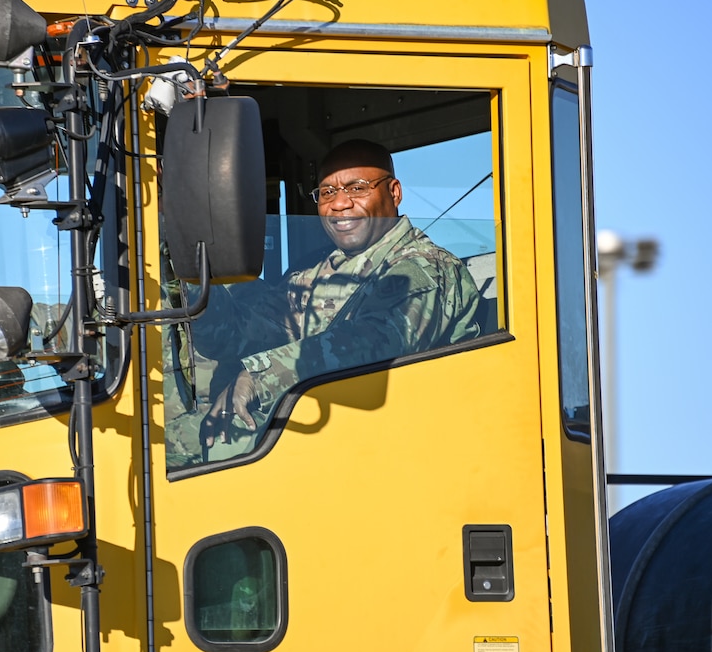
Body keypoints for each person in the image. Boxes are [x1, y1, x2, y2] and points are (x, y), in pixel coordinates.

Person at [165, 139, 481, 464]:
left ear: (394, 193)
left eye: (357, 188)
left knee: (194, 448)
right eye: (327, 193)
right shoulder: (316, 273)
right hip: (339, 436)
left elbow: (376, 345)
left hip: (406, 448)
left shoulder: (424, 268)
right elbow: (237, 334)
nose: (339, 204)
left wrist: (256, 378)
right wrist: (180, 250)